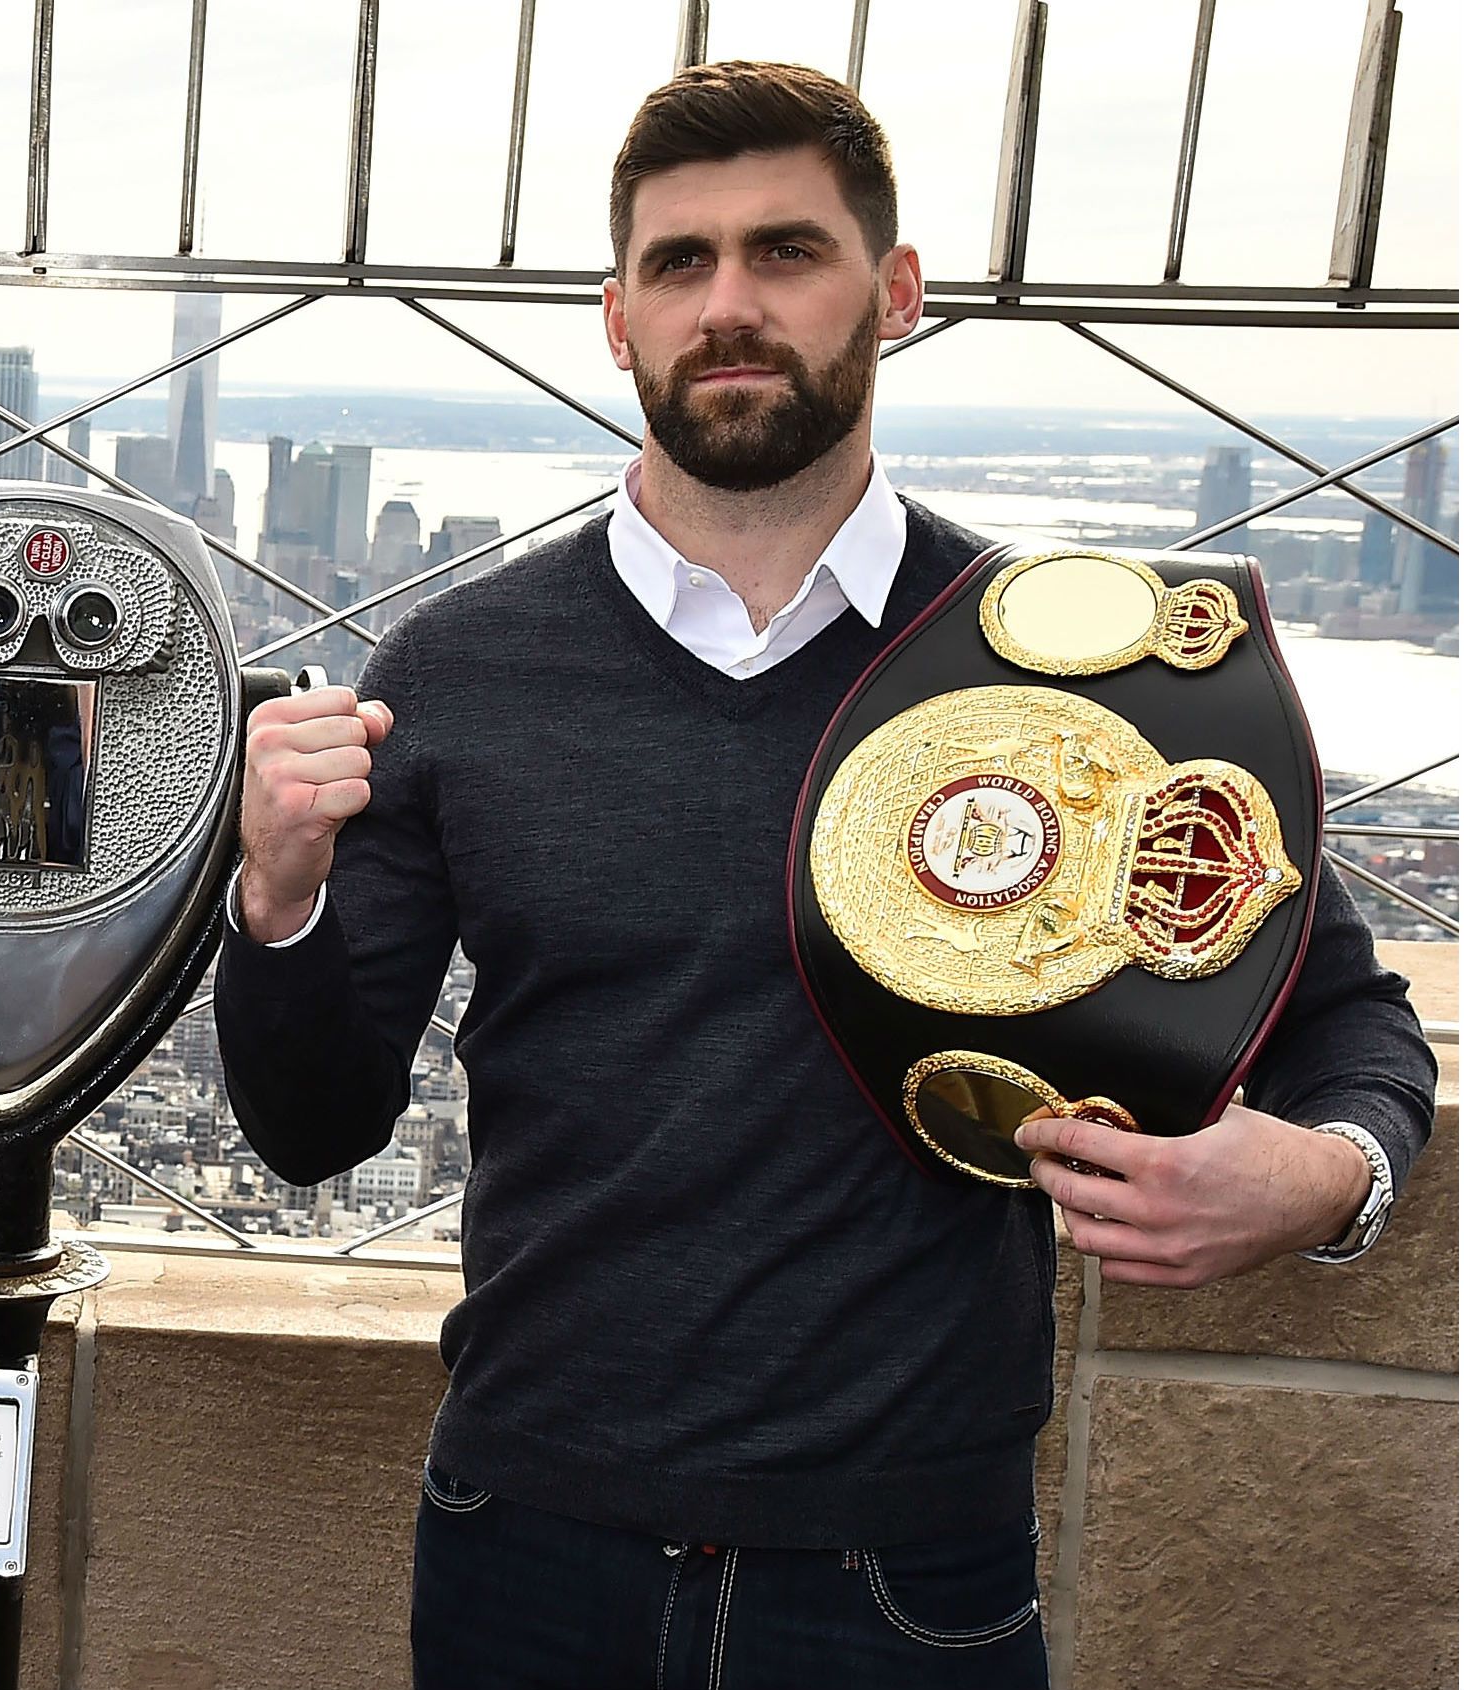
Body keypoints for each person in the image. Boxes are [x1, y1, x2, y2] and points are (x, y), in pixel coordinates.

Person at [213, 63, 1435, 1690]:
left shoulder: (1081, 666)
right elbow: (312, 1127)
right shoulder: (457, 664)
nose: (727, 306)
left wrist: (1316, 1183)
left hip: (906, 1568)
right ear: (615, 316)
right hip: (526, 1545)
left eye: (785, 253)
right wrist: (277, 893)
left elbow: (1347, 1028)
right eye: (678, 263)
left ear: (895, 293)